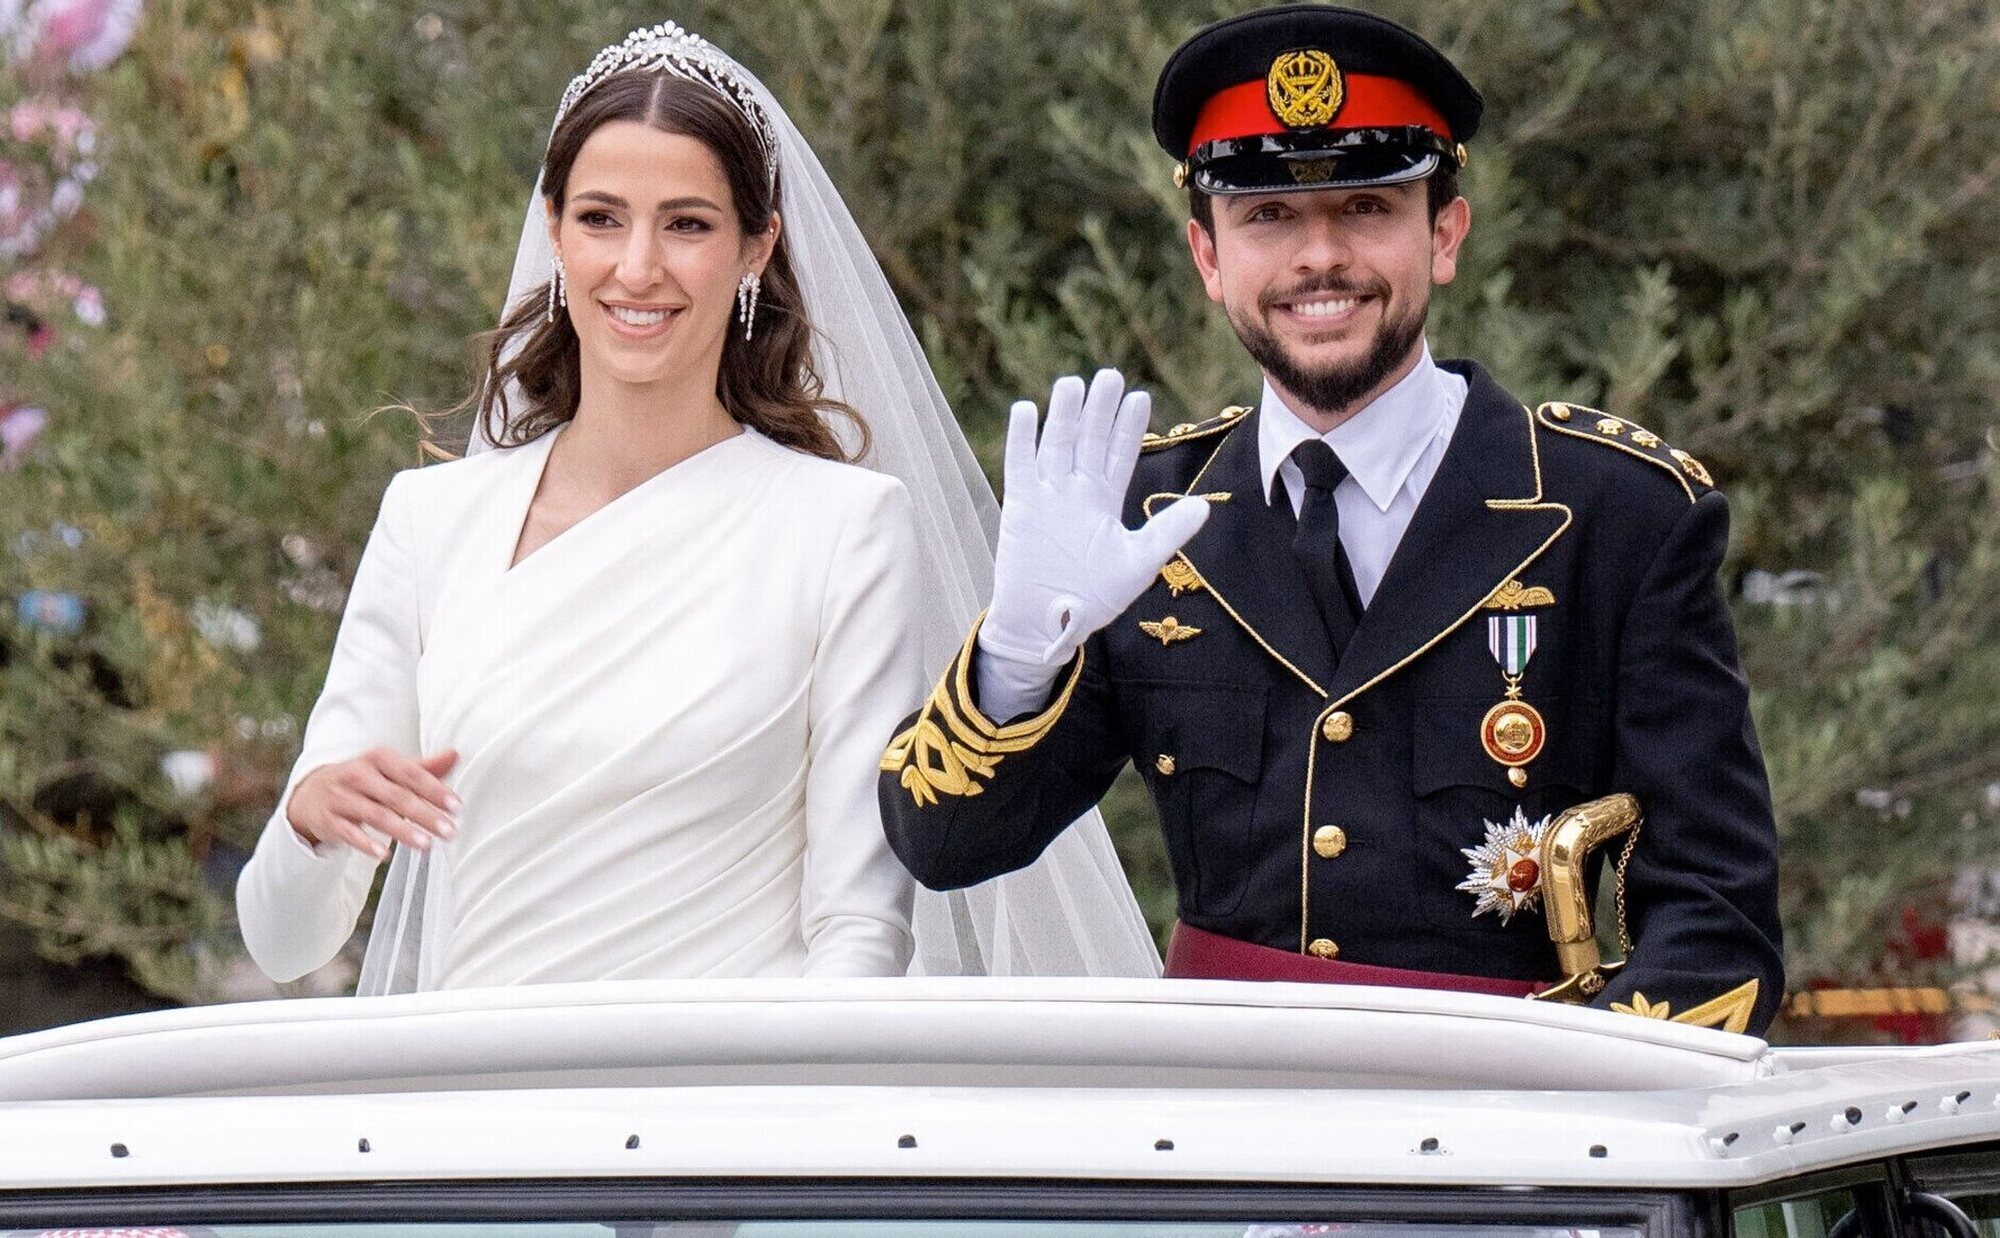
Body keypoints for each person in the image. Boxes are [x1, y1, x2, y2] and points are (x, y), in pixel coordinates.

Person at [880, 4, 1785, 1035]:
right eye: (1267, 216)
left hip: (1514, 1147)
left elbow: (1717, 926)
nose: (1319, 256)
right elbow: (943, 848)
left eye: (1364, 207)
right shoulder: (1140, 517)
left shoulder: (1613, 513)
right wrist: (1015, 656)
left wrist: (1569, 1127)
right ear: (1206, 256)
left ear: (1442, 234)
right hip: (1227, 1126)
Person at [237, 23, 1159, 991]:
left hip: (726, 1113)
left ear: (755, 244)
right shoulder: (431, 519)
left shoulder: (844, 523)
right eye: (600, 218)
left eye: (686, 223)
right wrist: (312, 816)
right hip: (479, 1113)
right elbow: (282, 941)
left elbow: (857, 922)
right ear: (552, 231)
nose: (637, 266)